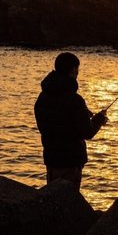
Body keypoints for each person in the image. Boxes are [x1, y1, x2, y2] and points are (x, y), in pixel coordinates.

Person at [34, 52, 108, 189]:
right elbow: (87, 132)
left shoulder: (43, 97)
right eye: (77, 69)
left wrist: (83, 113)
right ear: (73, 70)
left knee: (52, 199)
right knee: (69, 201)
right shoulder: (75, 100)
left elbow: (54, 119)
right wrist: (99, 119)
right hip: (71, 160)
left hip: (51, 158)